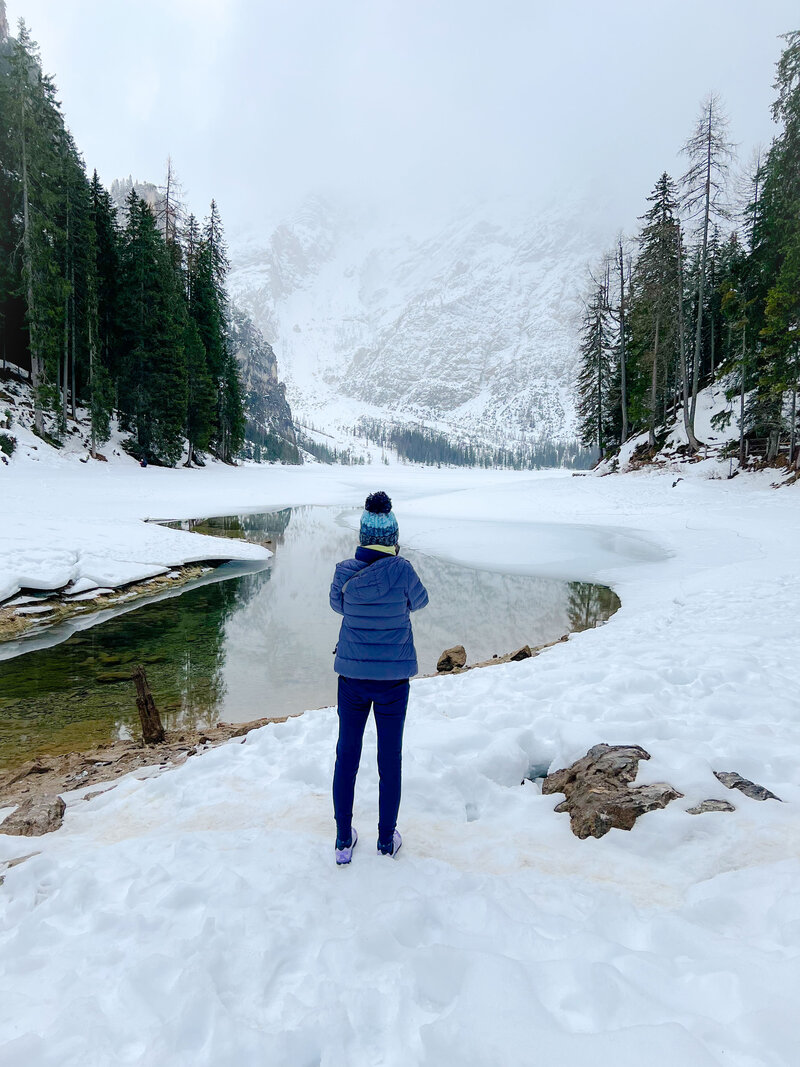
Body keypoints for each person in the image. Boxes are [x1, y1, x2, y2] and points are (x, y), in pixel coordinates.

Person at [329, 491, 428, 865]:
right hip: (393, 681)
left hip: (352, 677)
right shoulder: (402, 571)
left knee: (347, 756)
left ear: (362, 536)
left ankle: (343, 840)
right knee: (390, 758)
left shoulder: (343, 571)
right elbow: (420, 602)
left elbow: (337, 605)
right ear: (392, 538)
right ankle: (386, 840)